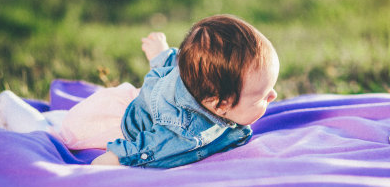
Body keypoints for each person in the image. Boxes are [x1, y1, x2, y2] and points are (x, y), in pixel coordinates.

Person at [0, 14, 280, 168]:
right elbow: (149, 149)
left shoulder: (201, 78)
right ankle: (7, 103)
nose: (274, 96)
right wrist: (113, 160)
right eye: (262, 95)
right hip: (112, 124)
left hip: (127, 101)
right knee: (54, 130)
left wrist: (160, 54)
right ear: (218, 105)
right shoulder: (187, 134)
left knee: (63, 117)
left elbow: (175, 66)